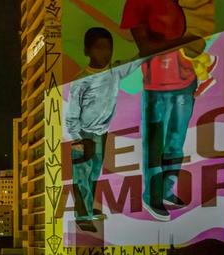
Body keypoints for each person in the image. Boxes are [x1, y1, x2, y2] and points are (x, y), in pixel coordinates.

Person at [120, 0, 213, 222]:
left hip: (185, 81)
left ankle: (167, 190)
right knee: (154, 147)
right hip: (155, 88)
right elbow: (145, 48)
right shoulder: (136, 3)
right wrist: (186, 42)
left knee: (175, 142)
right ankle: (152, 197)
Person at [64, 28, 139, 233]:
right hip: (83, 136)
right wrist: (79, 139)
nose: (105, 53)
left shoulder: (114, 71)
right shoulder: (81, 80)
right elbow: (71, 115)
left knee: (94, 174)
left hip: (101, 134)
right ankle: (82, 216)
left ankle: (88, 209)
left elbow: (138, 60)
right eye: (99, 48)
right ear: (87, 51)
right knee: (82, 176)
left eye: (108, 48)